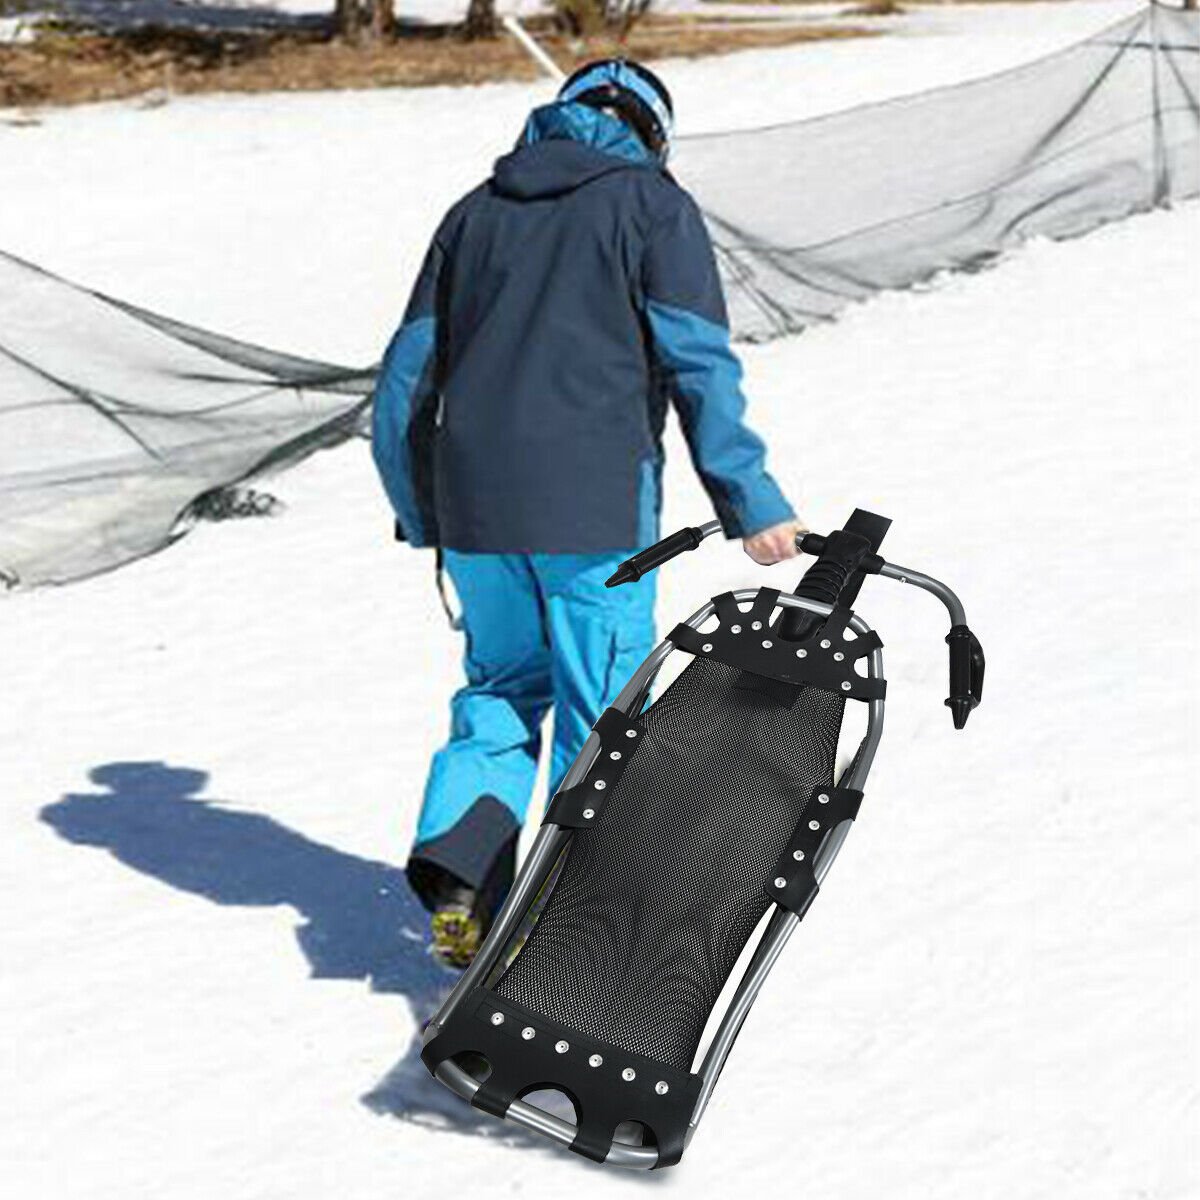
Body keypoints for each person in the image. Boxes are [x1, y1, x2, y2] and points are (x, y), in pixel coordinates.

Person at [372, 58, 804, 968]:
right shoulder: (653, 207)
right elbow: (699, 362)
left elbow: (406, 376)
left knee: (499, 689)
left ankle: (464, 875)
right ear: (652, 131)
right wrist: (750, 499)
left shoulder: (473, 212)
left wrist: (424, 511)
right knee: (599, 712)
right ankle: (562, 937)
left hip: (477, 512)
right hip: (593, 507)